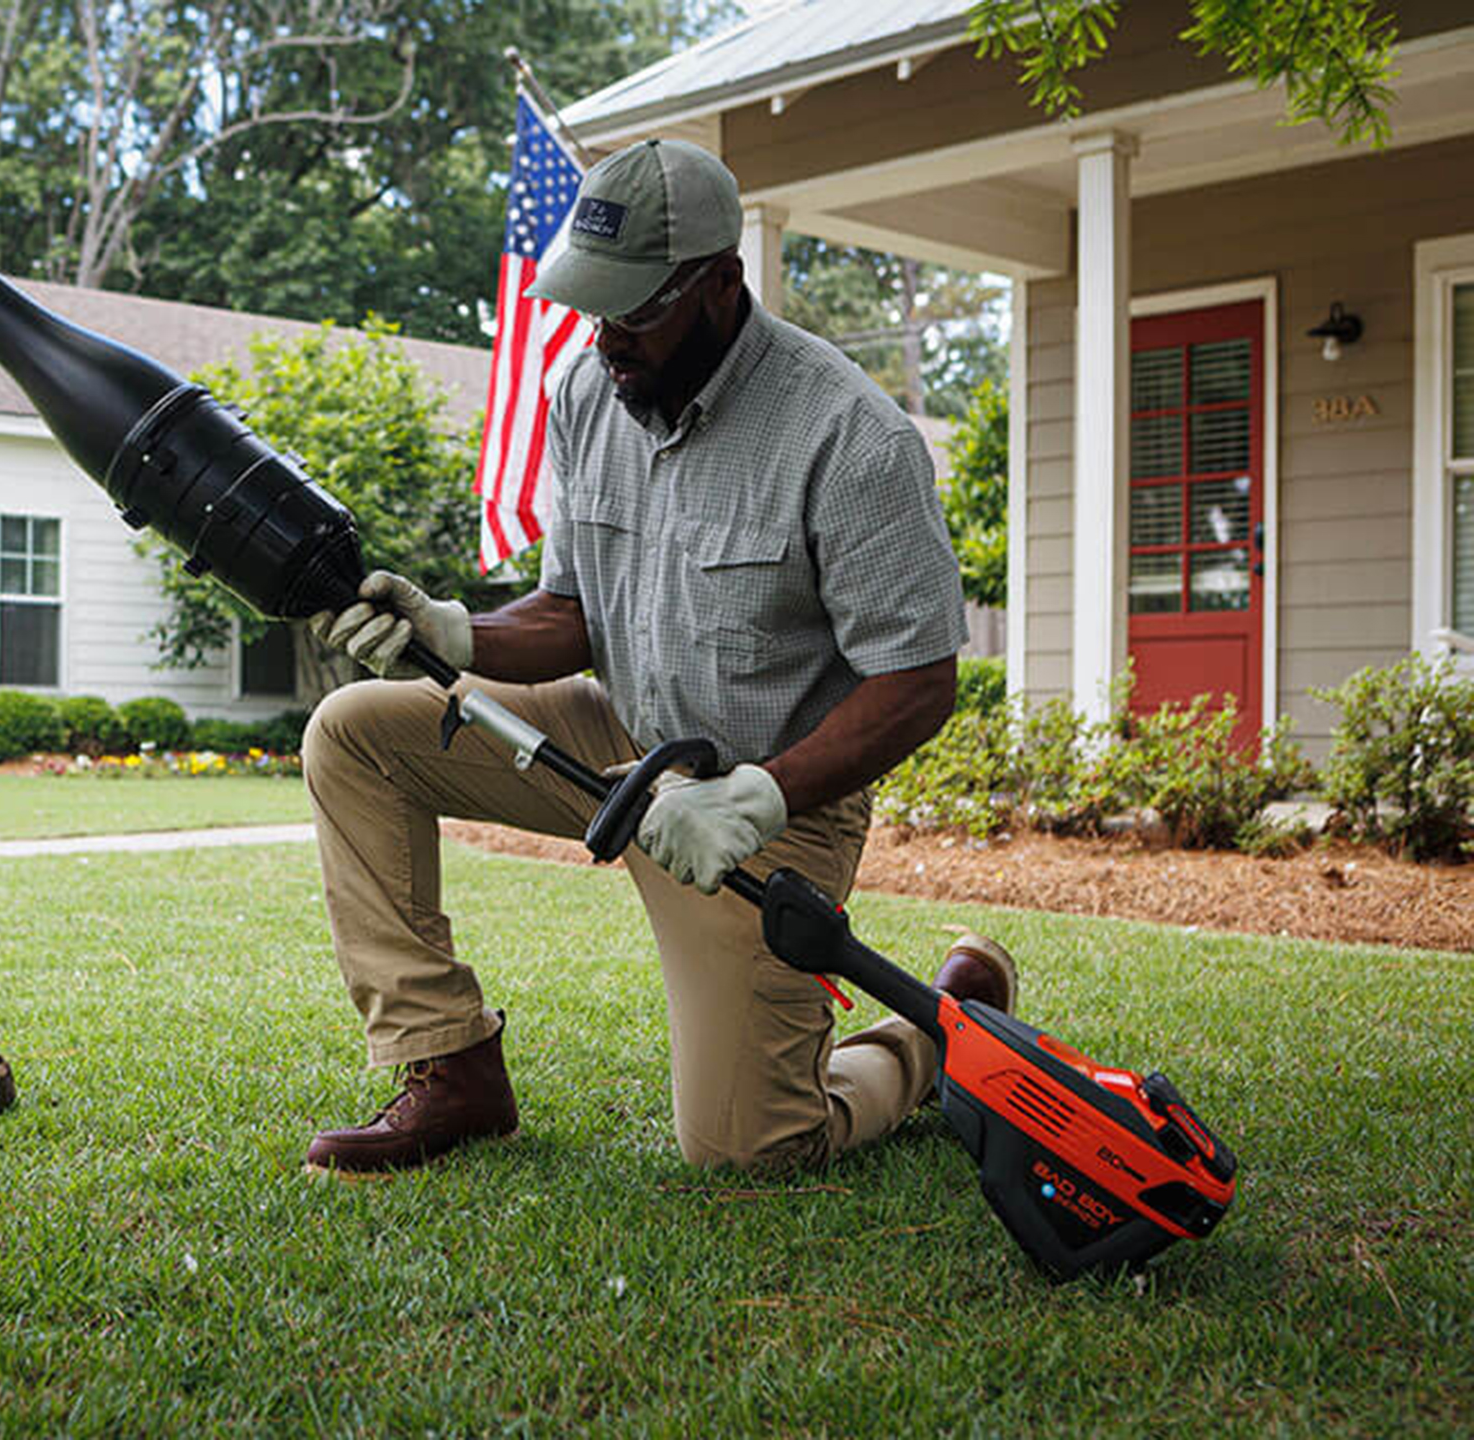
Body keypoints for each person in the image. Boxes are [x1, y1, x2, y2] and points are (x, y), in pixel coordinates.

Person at [300, 137, 1015, 1178]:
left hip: (771, 800)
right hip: (614, 741)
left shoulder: (851, 437)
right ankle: (449, 1065)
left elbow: (918, 684)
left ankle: (942, 1029)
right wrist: (455, 633)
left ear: (721, 283)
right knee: (354, 733)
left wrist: (759, 796)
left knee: (750, 1146)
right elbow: (571, 612)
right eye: (593, 306)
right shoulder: (588, 392)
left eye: (634, 310)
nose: (605, 338)